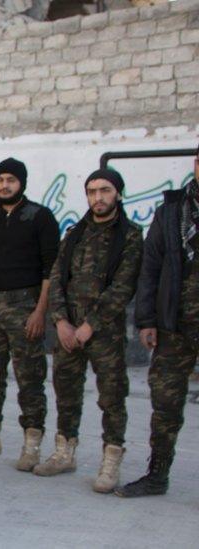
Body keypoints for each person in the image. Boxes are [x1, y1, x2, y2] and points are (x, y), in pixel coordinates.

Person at [34, 169, 141, 493]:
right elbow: (56, 278)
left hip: (104, 334)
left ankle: (110, 461)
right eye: (92, 191)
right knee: (66, 393)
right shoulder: (76, 233)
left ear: (117, 194)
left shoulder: (130, 235)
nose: (98, 197)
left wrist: (89, 326)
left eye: (105, 190)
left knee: (111, 397)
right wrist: (61, 322)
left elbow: (123, 287)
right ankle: (65, 452)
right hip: (67, 332)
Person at [0, 157, 60, 471]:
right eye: (1, 180)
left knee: (30, 377)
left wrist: (40, 313)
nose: (5, 185)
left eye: (11, 180)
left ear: (22, 183)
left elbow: (51, 270)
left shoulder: (40, 217)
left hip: (25, 307)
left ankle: (31, 444)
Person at [116, 146, 199, 498]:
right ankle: (157, 475)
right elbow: (150, 268)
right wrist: (146, 319)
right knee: (165, 405)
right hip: (173, 326)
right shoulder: (171, 212)